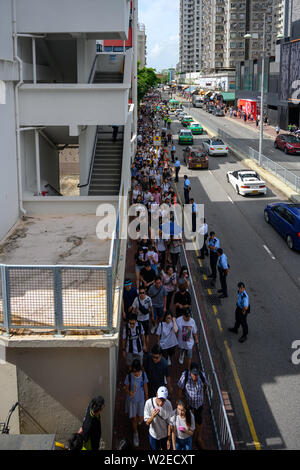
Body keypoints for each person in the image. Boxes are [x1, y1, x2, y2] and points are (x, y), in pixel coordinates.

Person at [177, 363, 207, 449]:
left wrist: (203, 396)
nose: (195, 376)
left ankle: (198, 438)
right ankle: (189, 435)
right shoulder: (185, 376)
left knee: (199, 420)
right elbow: (180, 388)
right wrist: (181, 402)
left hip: (199, 404)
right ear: (190, 372)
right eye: (194, 374)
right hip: (189, 405)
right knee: (188, 420)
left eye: (196, 374)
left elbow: (205, 386)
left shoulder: (202, 375)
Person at [124, 359, 149, 447]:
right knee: (134, 418)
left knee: (141, 418)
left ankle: (138, 423)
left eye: (138, 371)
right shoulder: (129, 376)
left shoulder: (143, 375)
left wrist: (147, 398)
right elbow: (126, 387)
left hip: (141, 400)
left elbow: (145, 386)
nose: (136, 374)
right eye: (134, 372)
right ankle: (135, 433)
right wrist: (129, 392)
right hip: (132, 402)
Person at [144, 386, 173, 451]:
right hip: (154, 435)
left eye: (164, 400)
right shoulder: (148, 403)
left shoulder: (168, 404)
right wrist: (152, 416)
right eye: (160, 399)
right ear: (156, 395)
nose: (161, 403)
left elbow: (170, 423)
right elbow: (147, 423)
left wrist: (168, 439)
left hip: (164, 435)